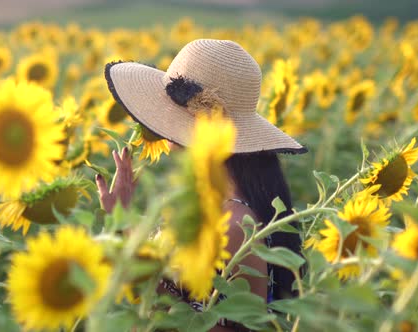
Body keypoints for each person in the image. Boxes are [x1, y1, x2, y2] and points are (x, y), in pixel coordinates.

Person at [95, 39, 308, 331]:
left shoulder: (235, 226)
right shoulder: (210, 199)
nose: (164, 134)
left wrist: (131, 253)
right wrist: (125, 219)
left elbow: (204, 322)